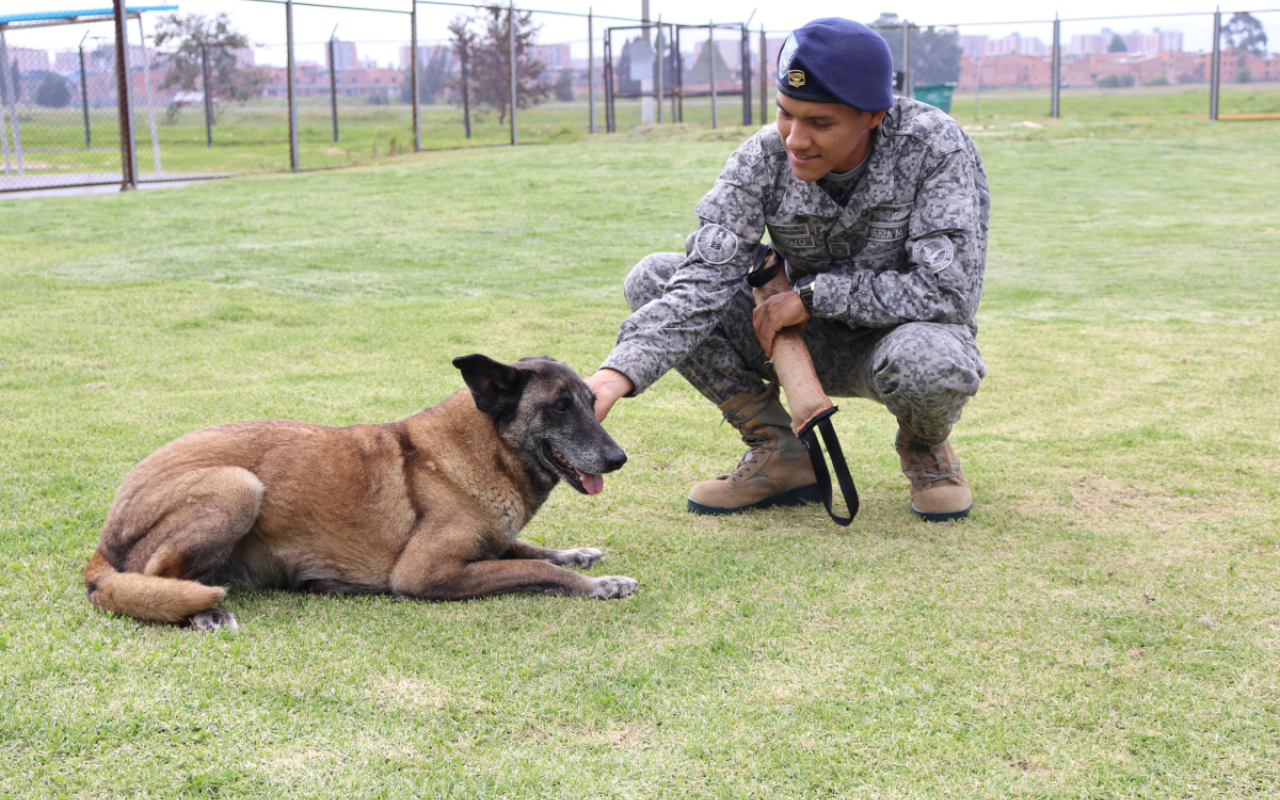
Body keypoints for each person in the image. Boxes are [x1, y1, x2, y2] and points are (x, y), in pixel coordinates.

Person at [585, 17, 990, 522]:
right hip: (793, 341)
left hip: (897, 340)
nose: (795, 139)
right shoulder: (762, 158)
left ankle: (926, 448)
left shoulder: (934, 148)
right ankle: (781, 453)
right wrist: (617, 372)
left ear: (873, 116)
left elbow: (947, 293)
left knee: (932, 361)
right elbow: (703, 280)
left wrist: (815, 295)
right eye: (785, 114)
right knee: (655, 277)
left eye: (820, 123)